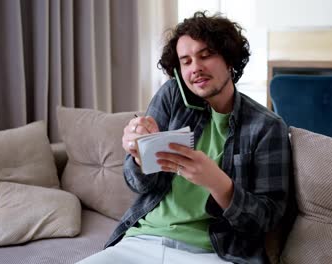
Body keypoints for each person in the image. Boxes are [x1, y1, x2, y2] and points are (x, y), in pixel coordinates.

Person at [78, 11, 290, 264]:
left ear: (229, 60)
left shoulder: (267, 127)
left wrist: (218, 183)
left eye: (206, 55)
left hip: (212, 252)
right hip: (142, 239)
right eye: (186, 61)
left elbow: (267, 219)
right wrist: (137, 156)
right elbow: (141, 185)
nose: (196, 68)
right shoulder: (171, 97)